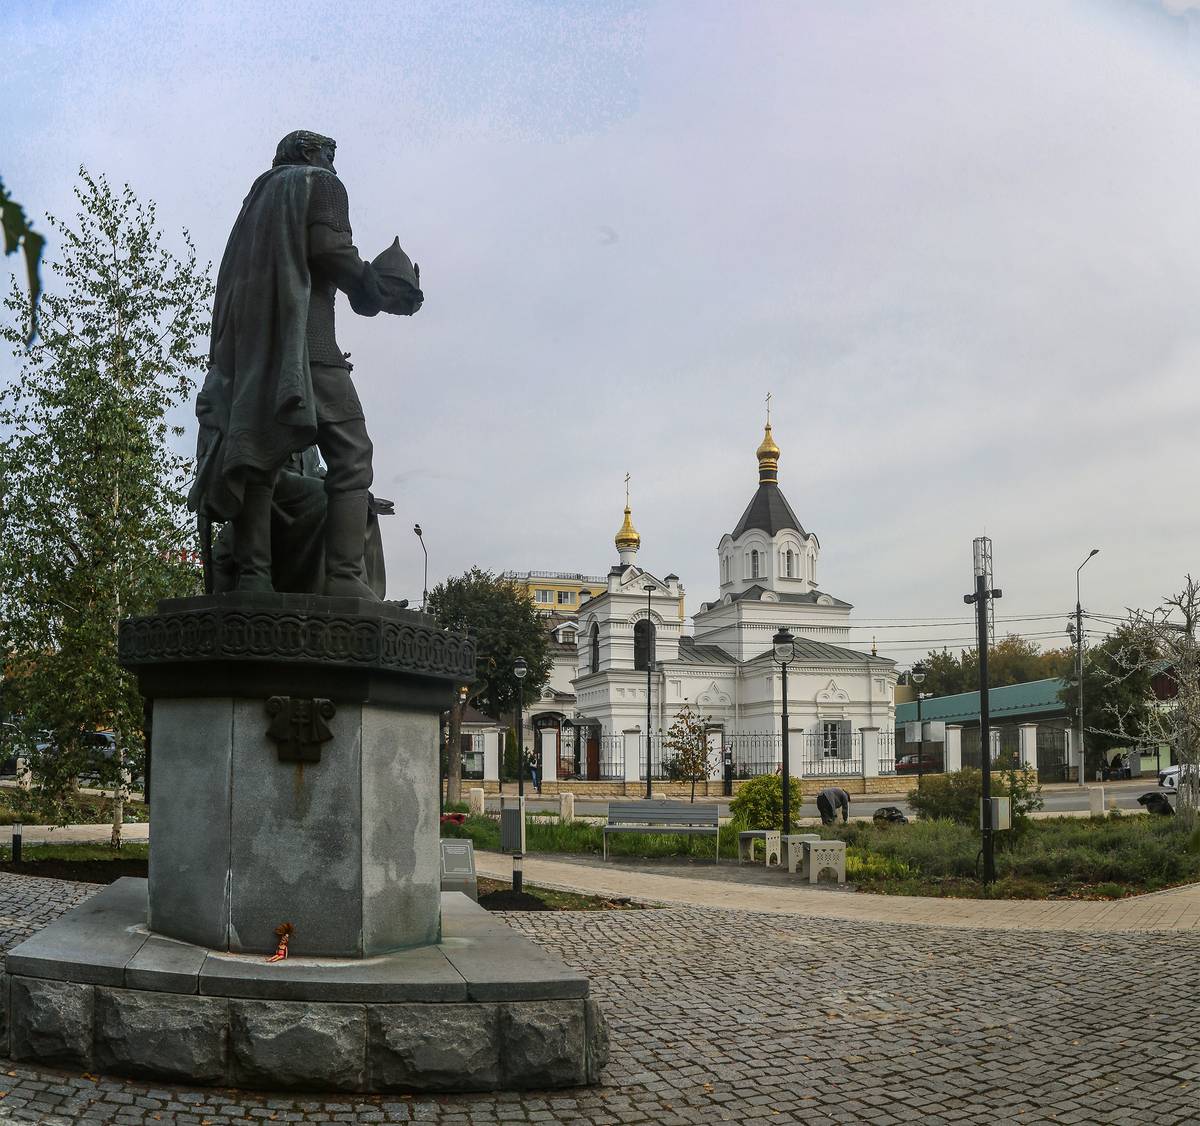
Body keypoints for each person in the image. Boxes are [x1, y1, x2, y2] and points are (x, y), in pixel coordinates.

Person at [189, 129, 422, 598]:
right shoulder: (321, 184)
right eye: (330, 152)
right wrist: (372, 288)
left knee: (257, 455)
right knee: (352, 455)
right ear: (311, 153)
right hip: (309, 347)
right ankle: (343, 578)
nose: (334, 162)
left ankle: (254, 576)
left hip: (251, 353)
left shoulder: (255, 201)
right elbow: (329, 250)